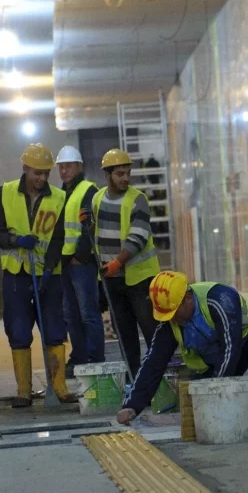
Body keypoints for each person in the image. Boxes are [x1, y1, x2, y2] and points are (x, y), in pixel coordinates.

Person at [116, 271, 248, 423]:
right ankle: (234, 396)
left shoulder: (219, 299)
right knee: (196, 401)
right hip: (212, 364)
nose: (171, 318)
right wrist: (132, 406)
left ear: (188, 299)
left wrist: (214, 393)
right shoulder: (170, 323)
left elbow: (230, 347)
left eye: (174, 312)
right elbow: (153, 363)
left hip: (242, 345)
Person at [0, 143, 77, 407]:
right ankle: (24, 391)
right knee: (18, 332)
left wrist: (49, 270)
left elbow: (60, 239)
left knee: (54, 330)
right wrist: (15, 240)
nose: (42, 178)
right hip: (16, 276)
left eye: (46, 173)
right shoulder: (5, 193)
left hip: (49, 276)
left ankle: (59, 388)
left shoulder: (59, 198)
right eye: (37, 173)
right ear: (25, 168)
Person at [90, 148, 160, 378]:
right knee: (125, 335)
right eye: (120, 174)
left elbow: (137, 238)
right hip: (113, 281)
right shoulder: (97, 199)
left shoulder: (138, 199)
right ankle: (134, 380)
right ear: (107, 175)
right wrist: (87, 226)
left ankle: (155, 380)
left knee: (151, 332)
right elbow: (97, 233)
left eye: (128, 173)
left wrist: (116, 263)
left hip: (139, 279)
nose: (126, 178)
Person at [54, 145, 103, 378]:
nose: (64, 170)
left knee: (88, 313)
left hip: (81, 264)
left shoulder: (88, 190)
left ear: (79, 167)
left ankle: (95, 357)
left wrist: (80, 257)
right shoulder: (62, 194)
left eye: (68, 166)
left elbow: (91, 227)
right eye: (61, 167)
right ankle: (80, 357)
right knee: (70, 314)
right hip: (66, 264)